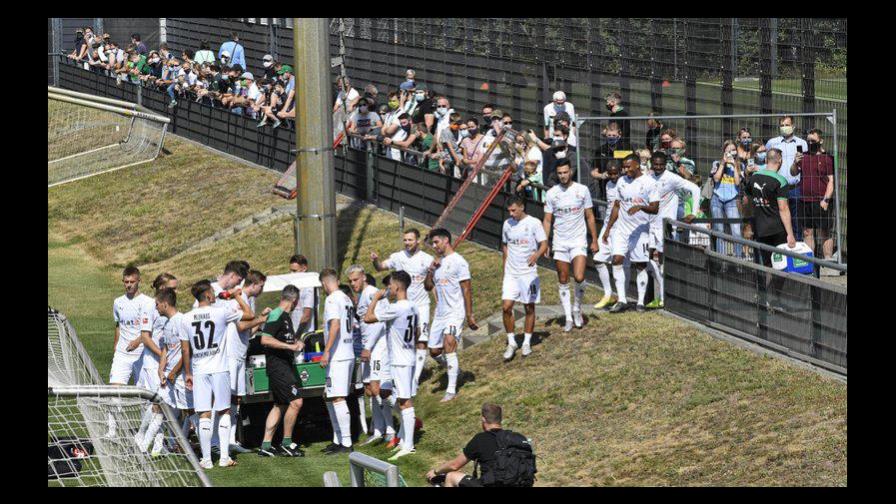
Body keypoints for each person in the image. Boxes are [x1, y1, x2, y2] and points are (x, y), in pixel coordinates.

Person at [180, 280, 254, 469]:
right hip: (220, 368)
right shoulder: (221, 312)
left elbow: (185, 350)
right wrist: (237, 296)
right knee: (223, 411)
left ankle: (206, 459)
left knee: (203, 413)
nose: (214, 295)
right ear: (207, 295)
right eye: (212, 292)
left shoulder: (186, 318)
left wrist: (188, 373)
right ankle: (223, 457)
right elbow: (249, 315)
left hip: (199, 370)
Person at [362, 270, 420, 461]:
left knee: (404, 401)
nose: (388, 289)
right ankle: (403, 439)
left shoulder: (397, 307)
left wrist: (376, 298)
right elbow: (417, 332)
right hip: (407, 356)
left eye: (390, 286)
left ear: (396, 287)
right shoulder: (413, 306)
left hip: (401, 360)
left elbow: (368, 317)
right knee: (391, 394)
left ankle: (409, 445)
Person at [371, 229, 434, 388]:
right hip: (403, 307)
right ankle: (403, 373)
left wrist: (438, 300)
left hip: (421, 305)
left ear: (418, 241)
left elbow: (432, 283)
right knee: (406, 340)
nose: (407, 243)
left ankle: (415, 379)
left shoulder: (426, 259)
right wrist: (375, 260)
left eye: (410, 240)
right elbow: (380, 267)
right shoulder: (398, 256)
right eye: (405, 240)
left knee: (422, 340)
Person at [542, 160, 600, 331]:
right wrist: (545, 242)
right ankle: (568, 316)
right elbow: (547, 219)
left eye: (565, 172)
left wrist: (594, 239)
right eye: (559, 173)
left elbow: (590, 216)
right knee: (562, 279)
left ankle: (577, 308)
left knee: (580, 277)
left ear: (571, 172)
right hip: (560, 241)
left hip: (578, 240)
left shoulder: (582, 190)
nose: (563, 176)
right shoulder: (552, 193)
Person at [424, 228, 478, 403]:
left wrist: (469, 315)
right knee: (434, 351)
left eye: (436, 242)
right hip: (440, 313)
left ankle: (451, 389)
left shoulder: (459, 262)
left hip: (455, 313)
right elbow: (427, 287)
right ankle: (457, 371)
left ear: (446, 240)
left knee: (449, 344)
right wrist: (430, 272)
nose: (434, 246)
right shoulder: (437, 264)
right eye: (432, 243)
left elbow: (467, 289)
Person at [426, 403, 536, 487]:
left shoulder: (481, 438)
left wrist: (435, 471)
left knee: (451, 476)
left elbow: (454, 465)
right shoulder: (519, 438)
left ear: (483, 419)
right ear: (500, 419)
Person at [603, 154, 660, 313]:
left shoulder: (649, 183)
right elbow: (616, 206)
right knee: (617, 260)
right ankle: (622, 299)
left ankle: (640, 302)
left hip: (641, 231)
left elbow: (655, 208)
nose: (625, 170)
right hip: (622, 230)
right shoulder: (621, 181)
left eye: (628, 167)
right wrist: (608, 229)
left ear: (637, 165)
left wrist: (641, 207)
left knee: (640, 265)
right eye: (624, 167)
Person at [256, 285, 306, 457]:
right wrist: (290, 346)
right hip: (278, 366)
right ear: (294, 300)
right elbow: (265, 339)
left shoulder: (286, 317)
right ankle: (286, 443)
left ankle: (265, 445)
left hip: (285, 365)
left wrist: (297, 343)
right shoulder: (277, 314)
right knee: (296, 402)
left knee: (280, 405)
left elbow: (285, 340)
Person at [646, 151, 700, 309]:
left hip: (666, 225)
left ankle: (664, 297)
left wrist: (693, 213)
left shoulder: (672, 178)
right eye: (655, 164)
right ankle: (655, 295)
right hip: (648, 224)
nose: (658, 167)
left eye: (661, 164)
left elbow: (695, 189)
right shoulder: (647, 178)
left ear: (665, 164)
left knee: (664, 261)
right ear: (651, 164)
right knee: (645, 258)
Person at [350, 268, 397, 447]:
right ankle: (378, 430)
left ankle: (393, 428)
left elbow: (379, 322)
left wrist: (368, 347)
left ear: (363, 277)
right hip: (368, 348)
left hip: (378, 348)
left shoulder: (372, 294)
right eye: (351, 281)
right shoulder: (363, 295)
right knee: (369, 389)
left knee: (378, 388)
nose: (353, 284)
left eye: (355, 280)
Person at [224, 270, 270, 454]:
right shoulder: (238, 298)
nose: (262, 290)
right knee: (227, 398)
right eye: (261, 286)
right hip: (231, 354)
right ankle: (221, 441)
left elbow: (248, 332)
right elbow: (241, 325)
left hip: (241, 354)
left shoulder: (248, 300)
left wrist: (260, 321)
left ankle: (232, 439)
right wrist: (260, 318)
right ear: (254, 284)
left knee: (237, 398)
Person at [501, 196, 548, 361]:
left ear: (521, 207)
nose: (511, 213)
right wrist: (505, 263)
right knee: (506, 307)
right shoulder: (507, 224)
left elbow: (544, 243)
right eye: (509, 211)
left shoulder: (534, 223)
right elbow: (505, 244)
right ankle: (512, 342)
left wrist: (536, 255)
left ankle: (527, 342)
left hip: (528, 273)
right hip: (511, 273)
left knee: (529, 307)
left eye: (514, 210)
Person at [319, 269, 356, 455]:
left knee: (338, 397)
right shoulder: (347, 298)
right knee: (330, 395)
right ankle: (338, 438)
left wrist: (326, 351)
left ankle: (347, 443)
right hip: (347, 352)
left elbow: (335, 324)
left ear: (324, 283)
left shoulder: (332, 299)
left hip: (338, 354)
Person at [743, 148, 797, 267]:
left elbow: (746, 200)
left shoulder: (754, 177)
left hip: (760, 228)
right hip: (777, 229)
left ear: (766, 160)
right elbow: (783, 208)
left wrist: (749, 221)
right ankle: (774, 285)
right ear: (780, 161)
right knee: (780, 264)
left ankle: (766, 285)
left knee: (767, 264)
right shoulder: (781, 181)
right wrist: (790, 234)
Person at [790, 128, 835, 264]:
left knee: (824, 231)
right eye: (808, 140)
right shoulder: (803, 156)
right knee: (807, 232)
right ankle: (810, 261)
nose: (810, 143)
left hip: (821, 200)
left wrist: (826, 199)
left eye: (813, 141)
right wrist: (795, 162)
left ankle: (827, 261)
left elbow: (831, 181)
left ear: (820, 141)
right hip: (805, 200)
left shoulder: (827, 158)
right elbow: (793, 173)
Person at [110, 266, 156, 387]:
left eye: (132, 282)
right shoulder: (118, 302)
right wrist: (116, 346)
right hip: (122, 353)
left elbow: (149, 329)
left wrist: (137, 342)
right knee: (115, 390)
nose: (129, 285)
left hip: (141, 353)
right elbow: (118, 325)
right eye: (126, 282)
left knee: (143, 393)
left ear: (139, 281)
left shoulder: (148, 302)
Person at [765, 115, 808, 238]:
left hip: (795, 188)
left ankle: (796, 249)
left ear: (793, 126)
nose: (785, 128)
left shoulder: (802, 143)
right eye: (782, 125)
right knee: (778, 219)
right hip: (777, 188)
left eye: (787, 125)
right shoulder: (772, 143)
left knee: (796, 221)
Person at [592, 162, 622, 309]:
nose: (613, 176)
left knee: (619, 262)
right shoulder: (608, 184)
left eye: (615, 173)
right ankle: (608, 294)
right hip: (607, 226)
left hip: (619, 228)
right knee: (598, 259)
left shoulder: (623, 184)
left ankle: (621, 297)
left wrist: (609, 228)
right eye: (610, 173)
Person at [710, 140, 744, 258]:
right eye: (728, 150)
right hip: (717, 198)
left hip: (732, 199)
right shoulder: (716, 163)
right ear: (724, 152)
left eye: (733, 150)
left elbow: (737, 182)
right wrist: (723, 163)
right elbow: (716, 179)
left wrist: (734, 166)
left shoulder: (740, 165)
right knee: (719, 230)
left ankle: (738, 258)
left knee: (736, 230)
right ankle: (722, 259)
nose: (731, 153)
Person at [288, 255, 317, 335]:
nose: (291, 274)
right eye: (290, 271)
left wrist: (297, 335)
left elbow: (307, 314)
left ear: (304, 269)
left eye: (294, 271)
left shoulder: (309, 287)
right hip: (294, 331)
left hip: (306, 334)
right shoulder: (293, 286)